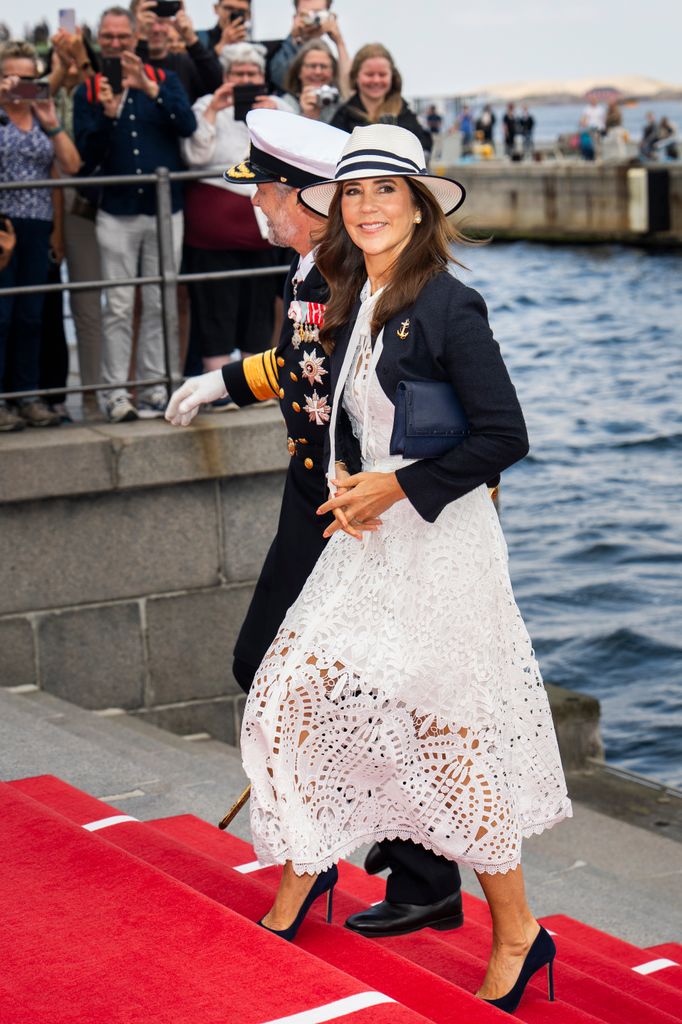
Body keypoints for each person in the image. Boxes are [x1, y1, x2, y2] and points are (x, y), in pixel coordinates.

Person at [240, 124, 572, 1013]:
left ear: (419, 205)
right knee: (289, 694)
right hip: (372, 538)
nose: (370, 206)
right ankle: (304, 875)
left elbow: (507, 437)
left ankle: (517, 931)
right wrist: (355, 486)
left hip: (439, 542)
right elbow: (344, 416)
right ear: (339, 211)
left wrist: (395, 488)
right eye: (354, 193)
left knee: (446, 738)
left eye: (388, 190)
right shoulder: (354, 295)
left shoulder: (449, 304)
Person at [166, 108, 349, 690]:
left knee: (284, 667)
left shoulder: (346, 278)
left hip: (347, 500)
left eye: (264, 191)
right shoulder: (307, 267)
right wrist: (219, 383)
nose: (255, 204)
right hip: (311, 486)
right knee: (266, 663)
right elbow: (298, 362)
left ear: (302, 199)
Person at [73, 6, 196, 423]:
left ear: (135, 38)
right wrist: (108, 117)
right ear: (99, 40)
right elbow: (84, 157)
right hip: (116, 212)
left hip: (165, 210)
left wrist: (150, 89)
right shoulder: (87, 91)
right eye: (107, 37)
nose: (115, 44)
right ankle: (115, 394)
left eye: (122, 37)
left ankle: (156, 388)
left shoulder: (165, 79)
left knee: (162, 302)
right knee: (120, 305)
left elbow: (188, 125)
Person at [180, 44, 285, 374]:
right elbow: (194, 156)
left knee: (259, 308)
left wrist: (275, 119)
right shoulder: (204, 106)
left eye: (251, 74)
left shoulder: (278, 108)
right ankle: (216, 386)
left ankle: (252, 383)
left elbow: (288, 158)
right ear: (225, 77)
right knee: (215, 309)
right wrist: (213, 109)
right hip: (213, 235)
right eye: (237, 74)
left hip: (262, 230)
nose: (244, 80)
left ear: (262, 78)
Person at [0, 40, 81, 431]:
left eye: (30, 78)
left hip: (38, 224)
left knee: (32, 316)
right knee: (1, 316)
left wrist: (51, 121)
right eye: (13, 77)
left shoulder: (39, 111)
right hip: (3, 224)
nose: (21, 84)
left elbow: (69, 166)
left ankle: (27, 396)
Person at [331, 44, 431, 156]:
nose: (376, 80)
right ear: (356, 76)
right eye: (369, 74)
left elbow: (423, 150)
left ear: (392, 77)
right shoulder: (343, 116)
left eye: (382, 74)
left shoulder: (405, 114)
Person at [133, 0, 222, 103]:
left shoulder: (184, 63)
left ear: (170, 24)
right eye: (149, 22)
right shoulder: (123, 63)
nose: (156, 29)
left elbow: (217, 86)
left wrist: (191, 39)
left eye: (161, 22)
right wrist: (142, 39)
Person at [269, 0, 350, 96]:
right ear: (295, 18)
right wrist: (294, 37)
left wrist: (339, 42)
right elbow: (279, 77)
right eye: (305, 14)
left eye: (317, 13)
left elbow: (348, 86)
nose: (313, 19)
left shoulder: (329, 54)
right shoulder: (285, 49)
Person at [282, 39, 341, 123]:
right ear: (299, 71)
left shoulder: (341, 107)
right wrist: (307, 116)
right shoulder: (285, 105)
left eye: (323, 66)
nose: (318, 72)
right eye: (312, 66)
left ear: (333, 72)